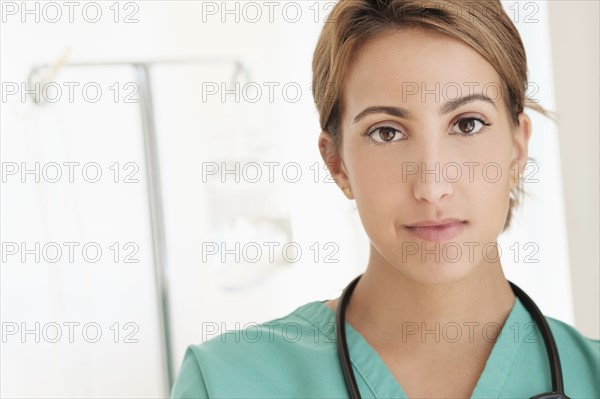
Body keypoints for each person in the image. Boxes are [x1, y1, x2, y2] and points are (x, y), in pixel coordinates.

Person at [171, 0, 600, 397]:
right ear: (337, 163)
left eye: (467, 124)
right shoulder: (228, 381)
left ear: (517, 147)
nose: (432, 186)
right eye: (386, 132)